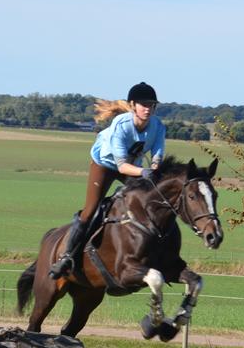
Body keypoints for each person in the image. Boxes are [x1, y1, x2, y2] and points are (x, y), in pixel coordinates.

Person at [48, 82, 166, 278]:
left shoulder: (158, 126)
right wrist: (145, 173)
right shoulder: (121, 125)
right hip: (105, 165)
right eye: (143, 104)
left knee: (146, 203)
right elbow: (121, 167)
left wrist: (153, 170)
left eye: (151, 105)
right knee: (90, 211)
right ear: (132, 105)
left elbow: (157, 157)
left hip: (133, 166)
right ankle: (66, 257)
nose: (148, 108)